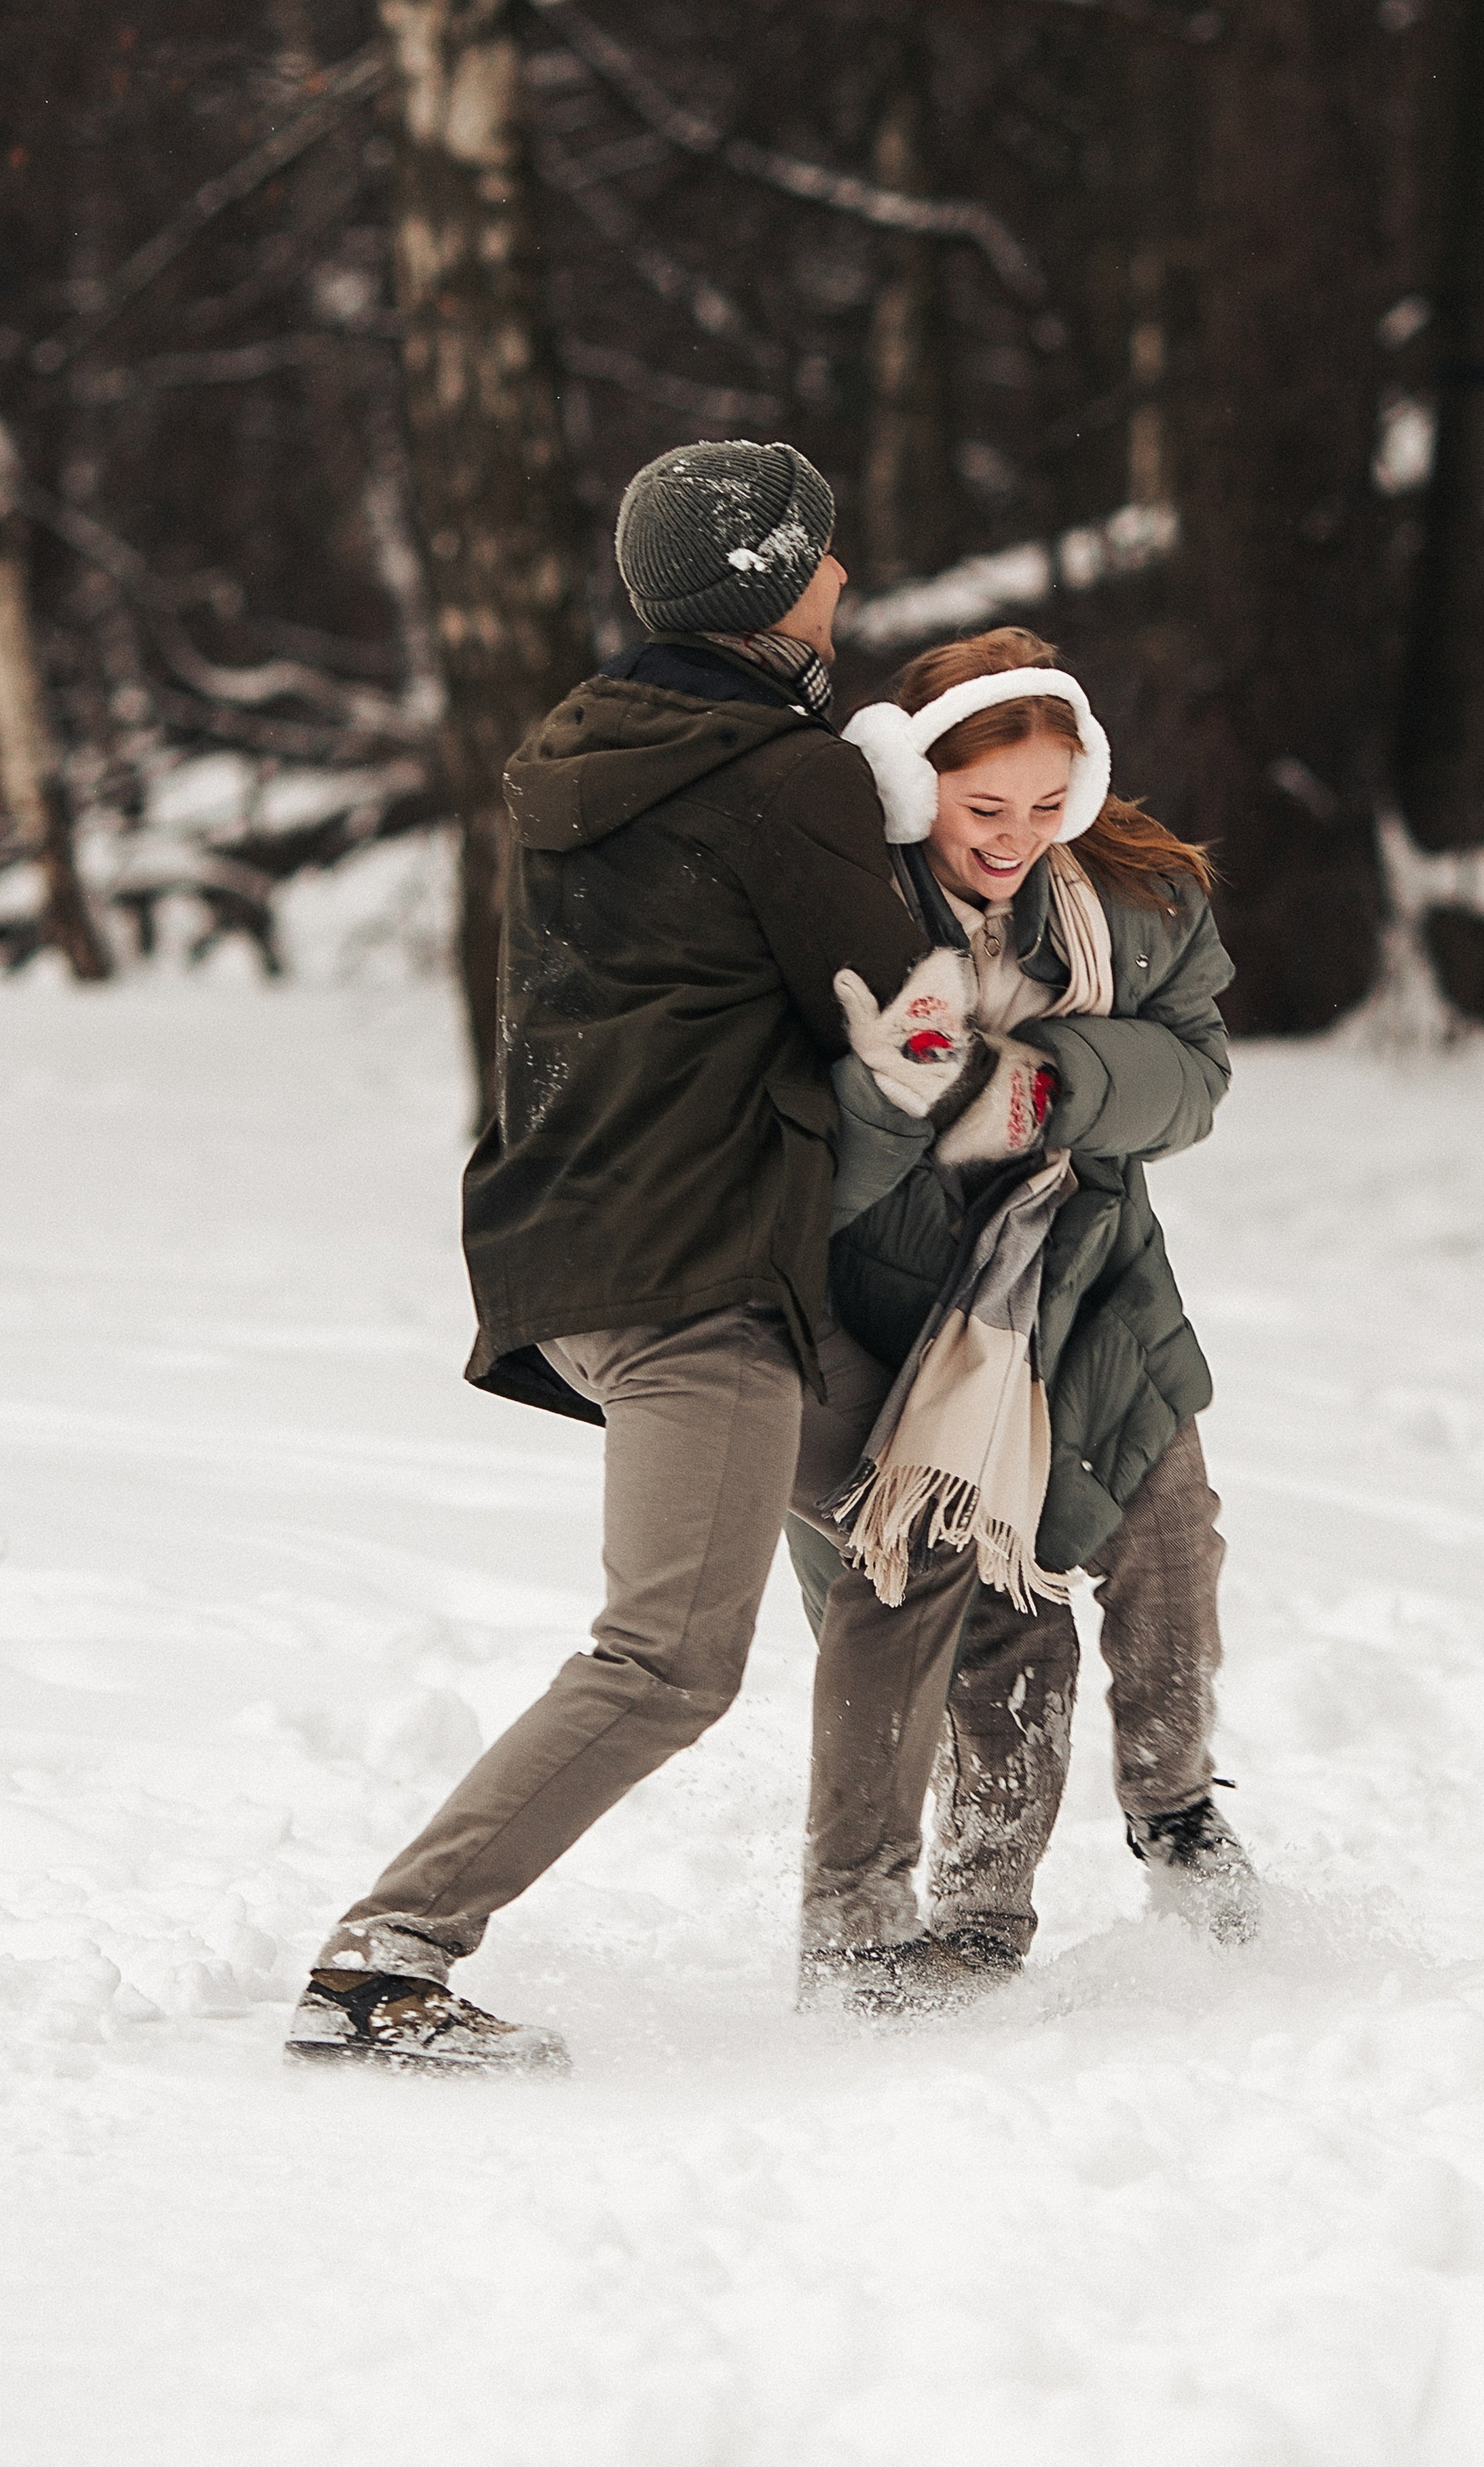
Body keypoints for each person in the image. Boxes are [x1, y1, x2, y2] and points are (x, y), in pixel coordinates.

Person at [284, 441, 992, 2071]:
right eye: (824, 554)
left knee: (909, 1520)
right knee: (670, 1657)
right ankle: (383, 1959)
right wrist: (912, 863)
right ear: (774, 584)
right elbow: (917, 1027)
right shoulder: (782, 775)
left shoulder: (580, 753)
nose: (846, 577)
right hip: (696, 1272)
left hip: (571, 1237)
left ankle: (860, 1935)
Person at [781, 627, 1256, 2011]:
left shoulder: (1135, 899)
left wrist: (1036, 1086)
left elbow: (1193, 1079)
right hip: (918, 1328)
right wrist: (902, 1092)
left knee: (1169, 1545)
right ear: (915, 782)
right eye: (986, 809)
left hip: (1094, 1289)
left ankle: (1173, 1804)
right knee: (1001, 1618)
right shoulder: (845, 914)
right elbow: (810, 1177)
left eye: (1048, 805)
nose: (1016, 837)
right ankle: (980, 1917)